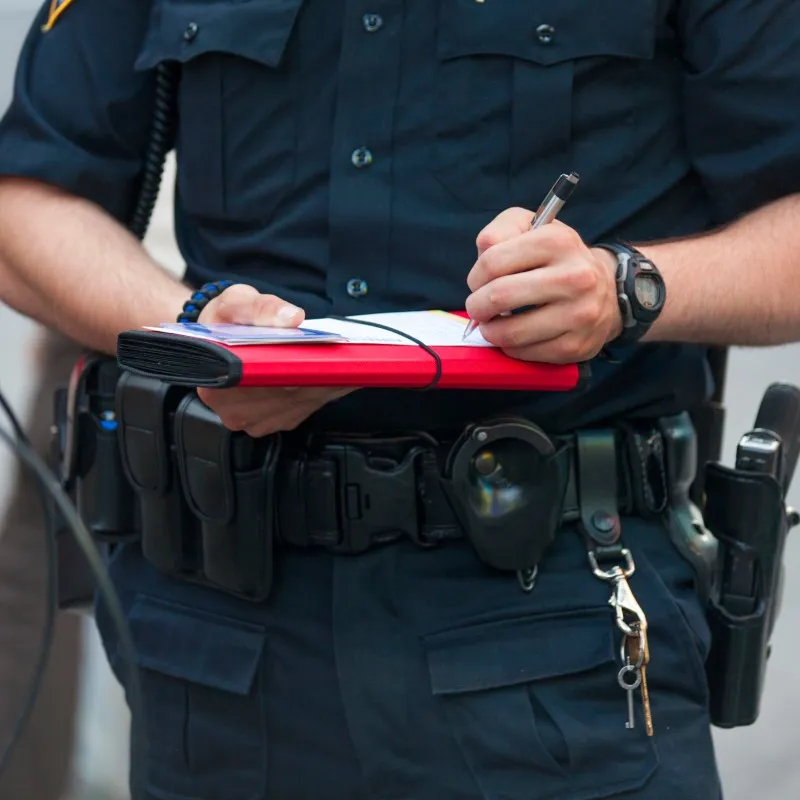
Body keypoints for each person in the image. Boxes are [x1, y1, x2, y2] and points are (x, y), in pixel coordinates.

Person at [0, 1, 799, 798]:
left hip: (554, 627)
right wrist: (194, 332)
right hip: (223, 630)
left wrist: (625, 288)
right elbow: (27, 203)